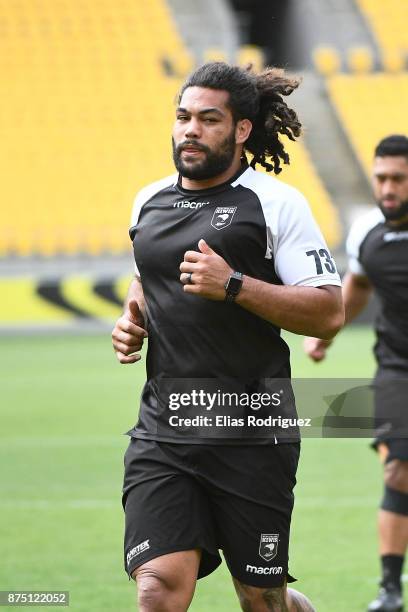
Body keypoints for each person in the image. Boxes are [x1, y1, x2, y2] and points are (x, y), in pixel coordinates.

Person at [112, 61, 343, 612]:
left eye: (208, 119)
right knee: (159, 586)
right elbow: (148, 281)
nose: (190, 129)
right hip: (165, 427)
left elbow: (327, 312)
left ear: (241, 129)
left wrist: (235, 285)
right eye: (183, 117)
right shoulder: (148, 202)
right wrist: (132, 322)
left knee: (261, 598)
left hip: (253, 429)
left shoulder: (275, 204)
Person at [304, 134, 408, 612]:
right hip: (397, 368)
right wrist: (327, 332)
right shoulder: (367, 232)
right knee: (399, 469)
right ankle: (390, 589)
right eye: (381, 178)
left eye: (398, 180)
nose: (387, 188)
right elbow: (360, 283)